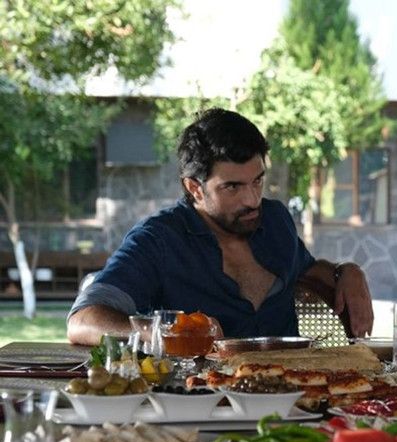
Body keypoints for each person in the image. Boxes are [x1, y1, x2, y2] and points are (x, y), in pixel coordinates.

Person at [67, 108, 373, 345]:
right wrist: (165, 332)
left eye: (257, 181)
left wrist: (347, 271)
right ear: (195, 188)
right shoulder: (159, 240)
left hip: (294, 392)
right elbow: (82, 322)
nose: (252, 200)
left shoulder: (275, 220)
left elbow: (309, 273)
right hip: (201, 397)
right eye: (232, 187)